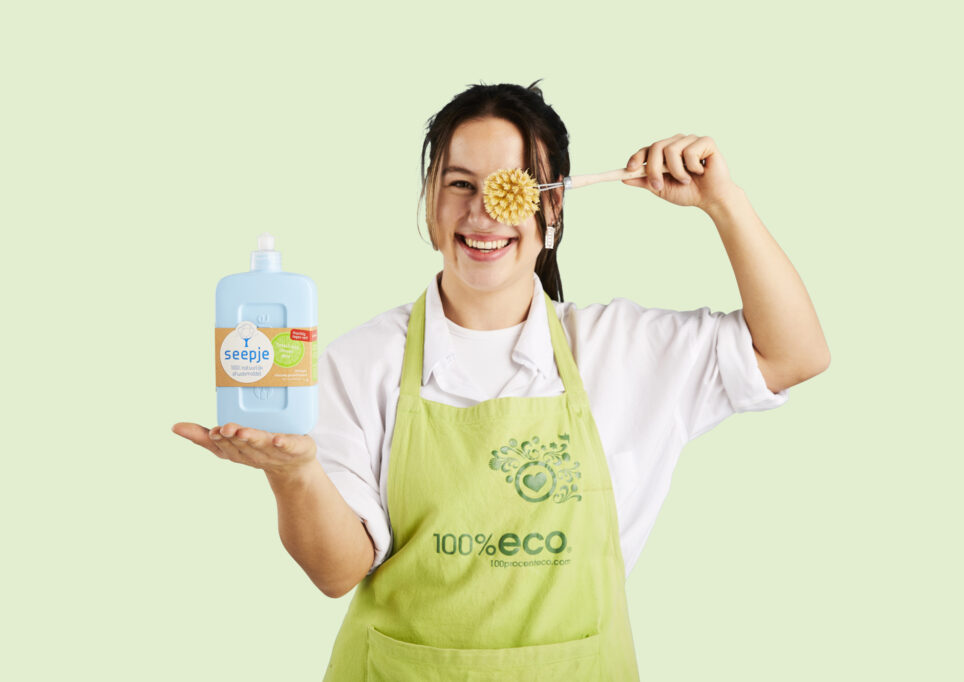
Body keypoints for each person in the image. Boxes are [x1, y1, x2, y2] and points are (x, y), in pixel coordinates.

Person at [173, 81, 829, 680]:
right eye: (459, 184)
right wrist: (294, 474)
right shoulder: (362, 361)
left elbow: (795, 354)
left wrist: (724, 203)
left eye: (509, 187)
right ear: (430, 202)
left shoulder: (624, 351)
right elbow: (336, 570)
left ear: (553, 205)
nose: (482, 212)